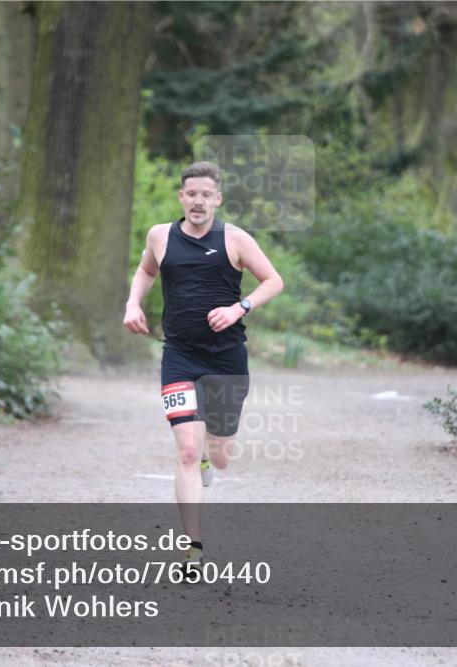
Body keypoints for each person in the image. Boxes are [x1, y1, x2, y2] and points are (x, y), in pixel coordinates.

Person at [123, 161, 284, 571]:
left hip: (227, 359)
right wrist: (132, 303)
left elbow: (273, 281)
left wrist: (238, 308)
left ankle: (214, 458)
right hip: (179, 355)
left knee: (219, 452)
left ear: (218, 199)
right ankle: (192, 549)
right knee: (187, 450)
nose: (197, 201)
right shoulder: (160, 236)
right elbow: (146, 270)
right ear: (181, 197)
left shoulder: (235, 239)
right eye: (190, 193)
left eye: (205, 195)